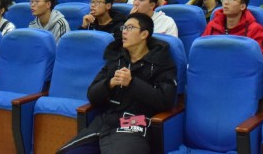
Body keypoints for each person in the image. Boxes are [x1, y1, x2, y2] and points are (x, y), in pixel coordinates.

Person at [58, 13, 176, 154]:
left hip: (136, 121)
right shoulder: (116, 58)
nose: (124, 31)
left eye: (130, 28)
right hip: (106, 122)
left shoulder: (160, 62)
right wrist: (109, 83)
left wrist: (132, 83)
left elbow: (165, 101)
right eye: (123, 27)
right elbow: (92, 95)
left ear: (144, 34)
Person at [202, 0, 263, 66]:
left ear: (242, 6)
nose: (226, 3)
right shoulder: (212, 25)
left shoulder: (256, 29)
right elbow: (202, 49)